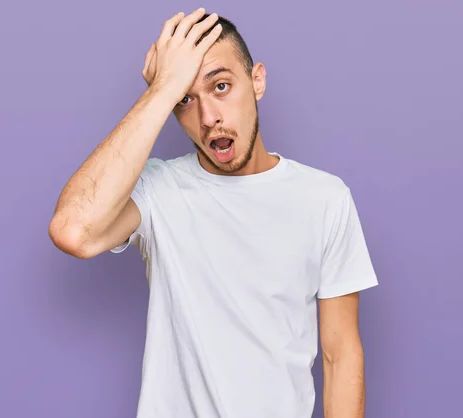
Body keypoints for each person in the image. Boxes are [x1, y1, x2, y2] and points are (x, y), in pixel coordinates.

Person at [49, 7, 379, 418]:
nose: (209, 118)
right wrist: (161, 90)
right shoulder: (156, 190)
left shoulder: (325, 198)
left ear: (257, 80)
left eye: (221, 86)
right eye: (185, 99)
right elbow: (73, 230)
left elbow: (341, 355)